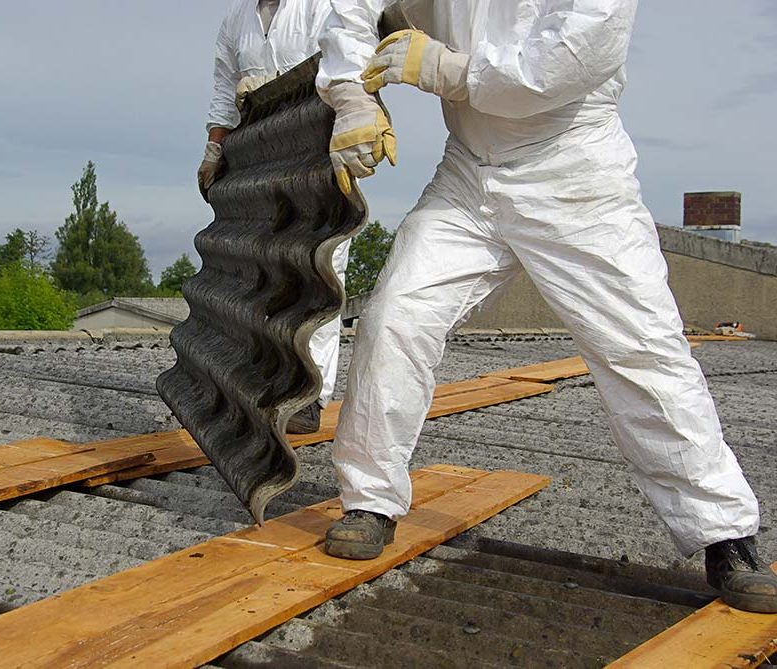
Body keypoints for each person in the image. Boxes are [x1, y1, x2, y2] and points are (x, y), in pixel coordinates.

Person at [315, 0, 776, 613]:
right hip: (467, 174)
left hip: (574, 171)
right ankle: (369, 499)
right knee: (395, 315)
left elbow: (560, 64)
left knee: (640, 347)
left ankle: (724, 533)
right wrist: (352, 98)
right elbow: (352, 8)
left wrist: (446, 70)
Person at [200, 0, 349, 434]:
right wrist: (215, 147)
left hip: (319, 145)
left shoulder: (323, 6)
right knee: (263, 268)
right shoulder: (237, 20)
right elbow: (224, 88)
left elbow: (351, 62)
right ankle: (263, 381)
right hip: (261, 153)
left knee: (320, 267)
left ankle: (310, 395)